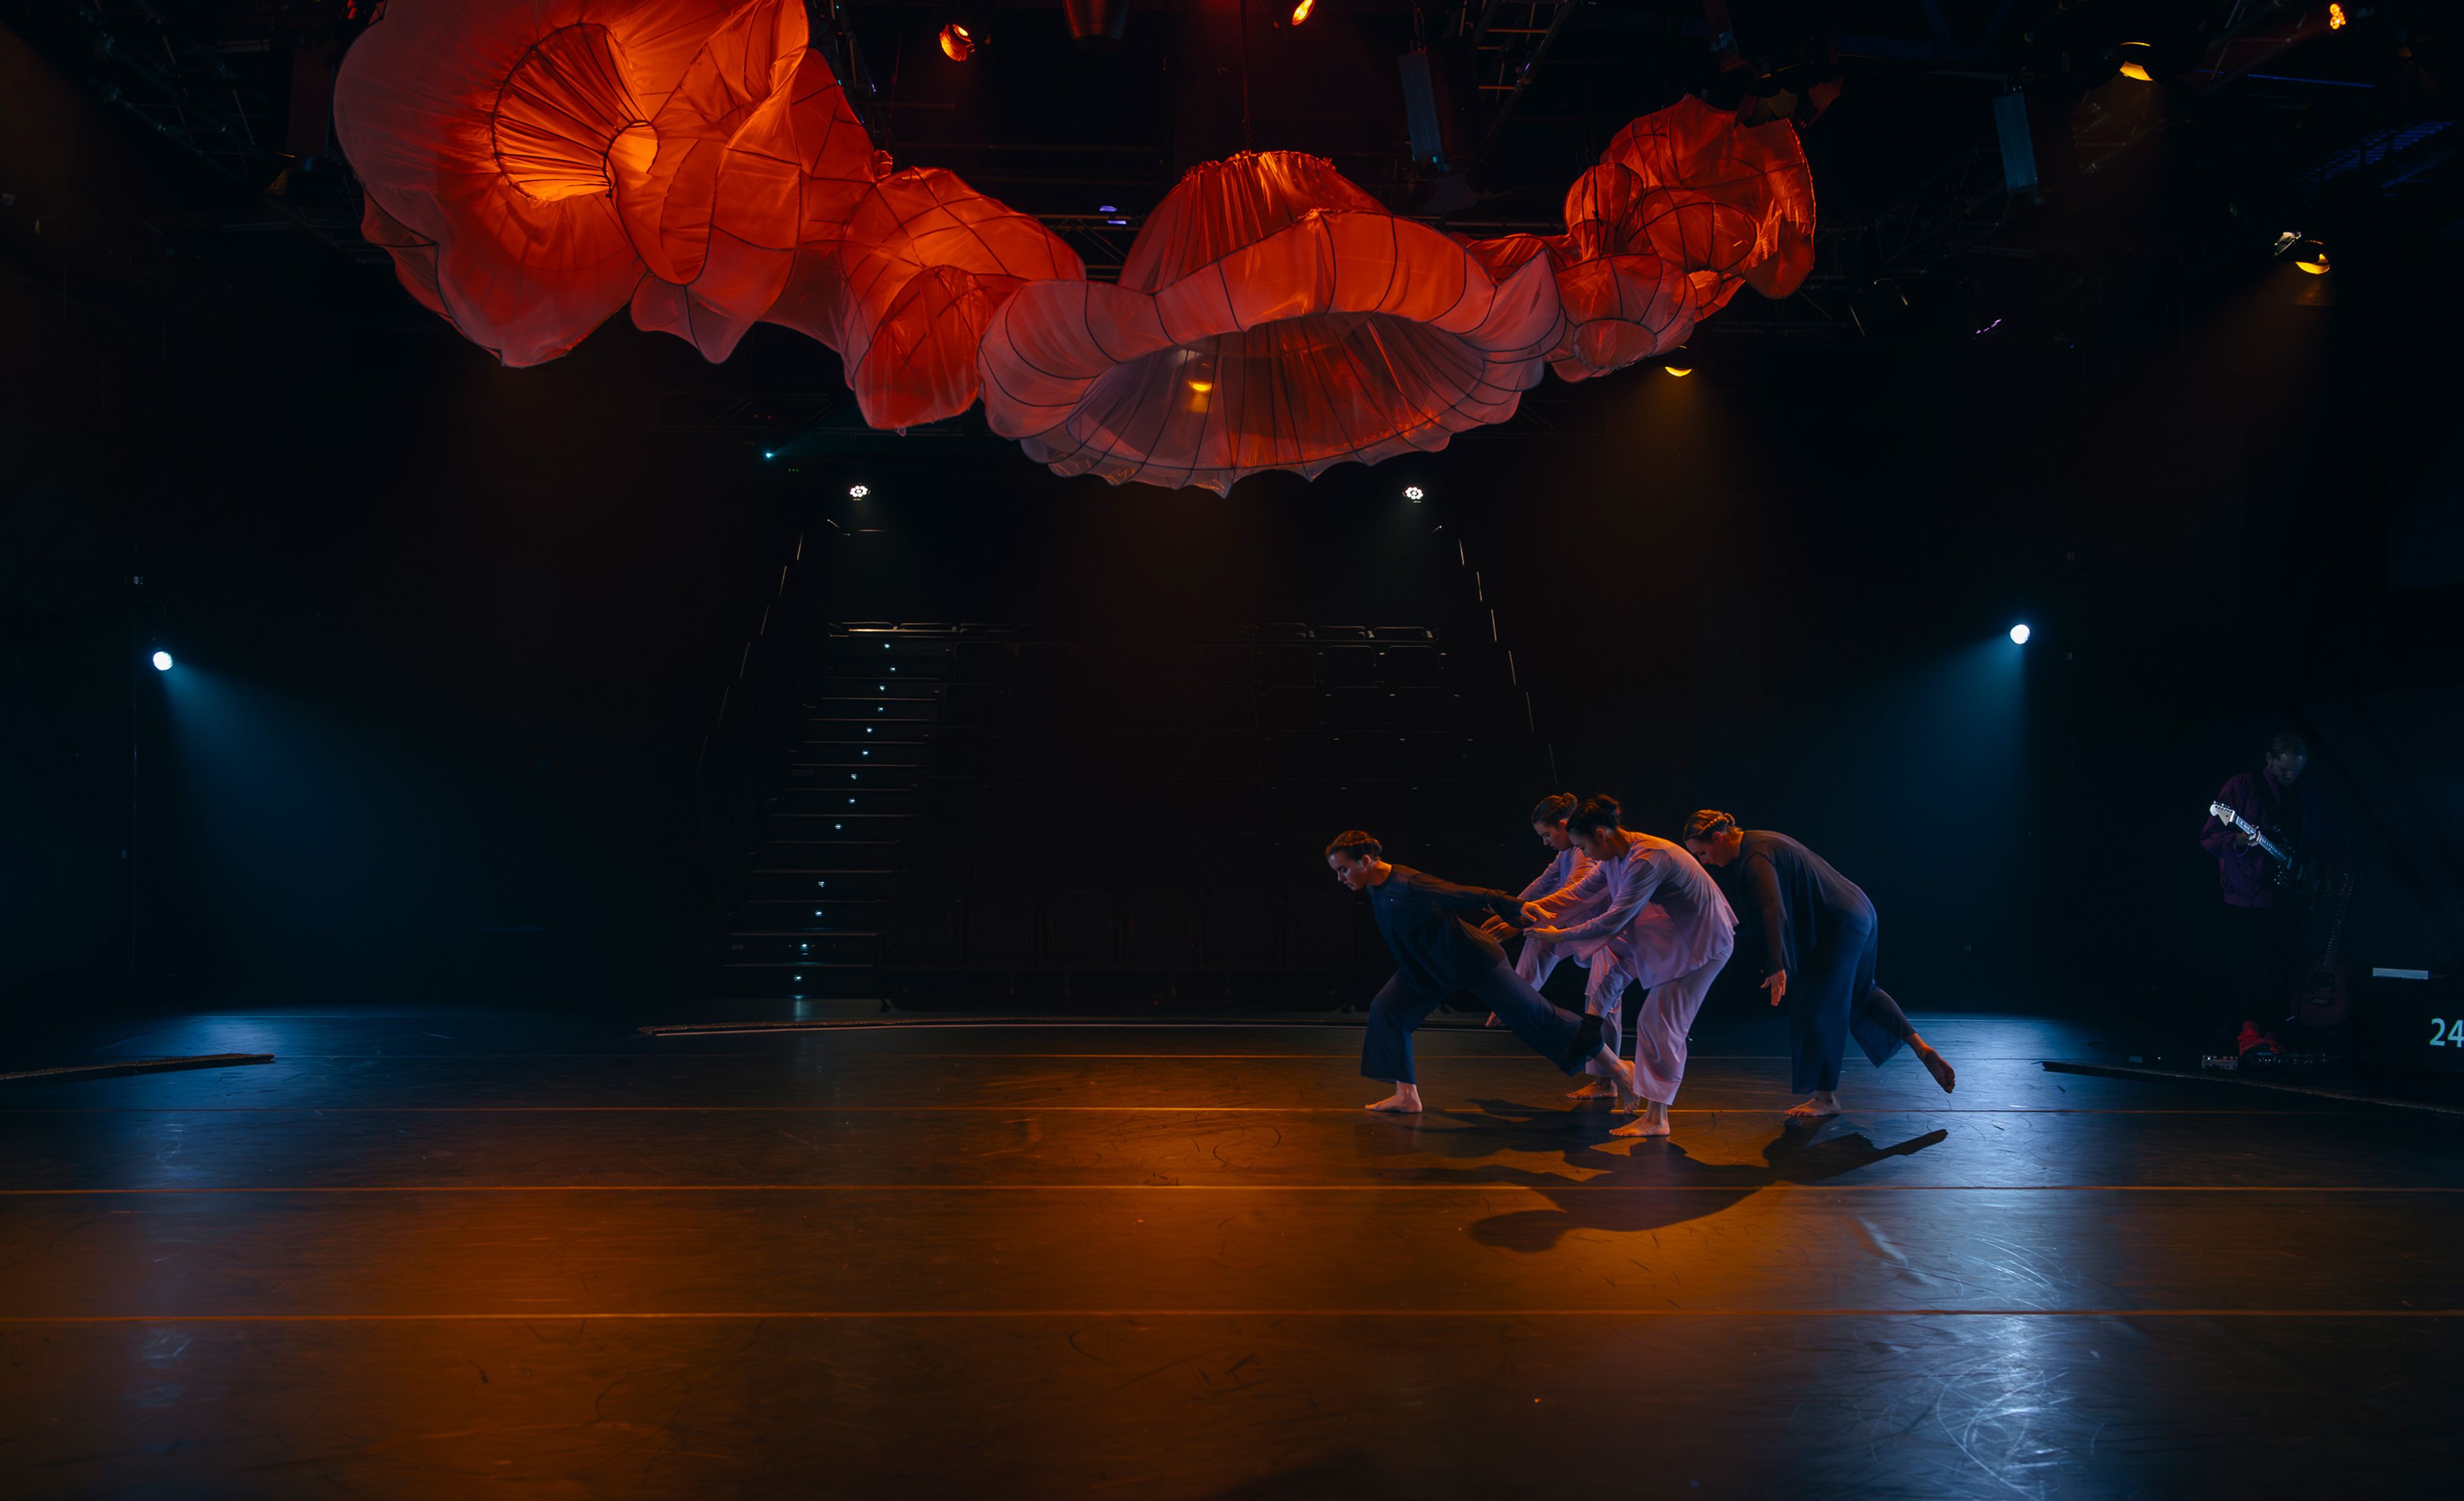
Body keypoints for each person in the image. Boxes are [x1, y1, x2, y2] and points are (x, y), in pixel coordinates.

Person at [1326, 830, 1638, 1116]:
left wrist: (1514, 908)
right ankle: (1406, 1095)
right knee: (1386, 1010)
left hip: (1474, 962)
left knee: (1538, 1016)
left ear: (1365, 861)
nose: (1341, 879)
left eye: (1343, 869)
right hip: (1426, 969)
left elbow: (1463, 893)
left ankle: (1619, 1068)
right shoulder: (1375, 887)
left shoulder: (1409, 883)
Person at [1682, 811, 1956, 1120]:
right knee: (1861, 991)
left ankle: (1826, 1097)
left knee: (1817, 1001)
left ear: (1718, 838)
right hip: (1859, 911)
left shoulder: (1755, 856)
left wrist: (1776, 964)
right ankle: (1920, 1047)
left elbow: (1772, 908)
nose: (1704, 862)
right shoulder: (1764, 839)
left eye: (1702, 853)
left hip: (1839, 923)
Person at [1520, 796, 1734, 1138]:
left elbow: (1613, 919)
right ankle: (1649, 1109)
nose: (1585, 856)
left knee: (1660, 1023)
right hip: (1674, 940)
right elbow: (1578, 896)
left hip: (1703, 945)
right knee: (1649, 1017)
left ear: (1602, 834)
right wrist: (1523, 910)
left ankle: (1657, 1118)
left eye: (1584, 847)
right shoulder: (1615, 857)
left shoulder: (1648, 860)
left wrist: (1558, 936)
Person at [2196, 730, 2334, 1055]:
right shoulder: (2243, 787)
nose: (2289, 777)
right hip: (2250, 892)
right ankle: (2247, 1031)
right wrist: (2240, 841)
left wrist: (2319, 873)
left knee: (2280, 964)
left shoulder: (2308, 793)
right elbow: (2209, 837)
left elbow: (2319, 838)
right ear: (2269, 760)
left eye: (2296, 772)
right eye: (2284, 769)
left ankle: (2273, 1031)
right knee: (2249, 963)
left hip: (2290, 892)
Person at [1480, 794, 1621, 1099]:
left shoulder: (1584, 852)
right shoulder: (1567, 853)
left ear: (1563, 825)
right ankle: (1515, 998)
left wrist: (1518, 921)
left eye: (1547, 835)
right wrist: (1510, 908)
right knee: (1538, 945)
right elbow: (1543, 884)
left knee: (1602, 1003)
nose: (1545, 842)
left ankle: (1606, 1082)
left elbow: (1575, 894)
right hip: (1574, 929)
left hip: (1605, 934)